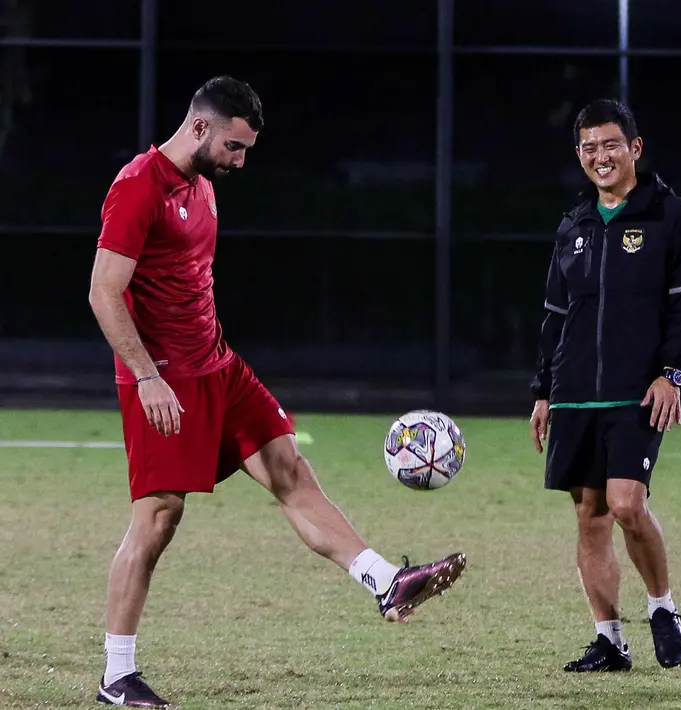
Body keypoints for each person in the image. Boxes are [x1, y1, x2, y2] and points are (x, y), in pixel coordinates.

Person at [88, 76, 466, 708]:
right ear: (202, 127)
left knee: (291, 469)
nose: (241, 160)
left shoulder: (203, 186)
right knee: (157, 519)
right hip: (164, 380)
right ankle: (115, 675)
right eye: (235, 147)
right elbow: (104, 292)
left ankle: (385, 581)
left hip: (220, 369)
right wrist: (148, 375)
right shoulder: (137, 186)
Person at [529, 99, 681, 673]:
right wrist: (542, 389)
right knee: (589, 518)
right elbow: (556, 315)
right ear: (578, 156)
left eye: (610, 145)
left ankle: (663, 607)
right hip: (576, 390)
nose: (600, 157)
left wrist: (672, 373)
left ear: (635, 148)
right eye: (588, 148)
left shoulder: (671, 215)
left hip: (637, 391)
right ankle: (608, 640)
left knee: (628, 504)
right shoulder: (574, 224)